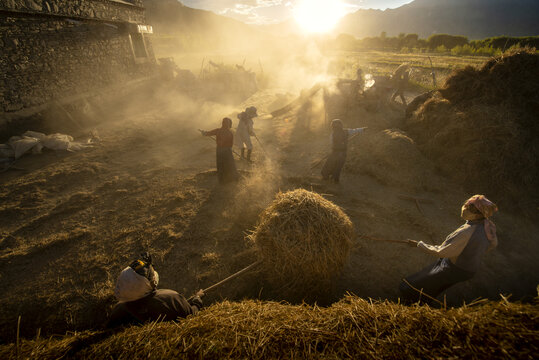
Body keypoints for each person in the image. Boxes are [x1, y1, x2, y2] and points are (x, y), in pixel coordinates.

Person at [399, 195, 498, 304]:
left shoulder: (467, 232)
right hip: (468, 270)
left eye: (471, 208)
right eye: (467, 204)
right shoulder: (488, 226)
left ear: (479, 214)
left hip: (455, 268)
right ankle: (421, 301)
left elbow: (442, 252)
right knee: (435, 285)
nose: (465, 208)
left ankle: (410, 301)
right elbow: (493, 244)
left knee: (418, 285)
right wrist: (474, 252)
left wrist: (418, 244)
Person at [107, 252, 204, 328]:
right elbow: (191, 317)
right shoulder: (171, 298)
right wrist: (197, 300)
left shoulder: (118, 311)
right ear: (147, 283)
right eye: (149, 275)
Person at [321, 119, 367, 184]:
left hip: (335, 152)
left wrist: (332, 149)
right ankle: (335, 180)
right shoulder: (346, 131)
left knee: (329, 164)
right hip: (342, 153)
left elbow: (331, 143)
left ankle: (325, 177)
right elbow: (355, 130)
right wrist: (362, 129)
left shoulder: (333, 134)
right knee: (338, 166)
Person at [200, 117, 239, 184]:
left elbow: (207, 133)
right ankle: (233, 179)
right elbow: (230, 144)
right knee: (230, 165)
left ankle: (222, 181)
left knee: (221, 165)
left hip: (219, 150)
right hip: (227, 151)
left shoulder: (218, 130)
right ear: (229, 124)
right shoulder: (230, 133)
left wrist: (203, 132)